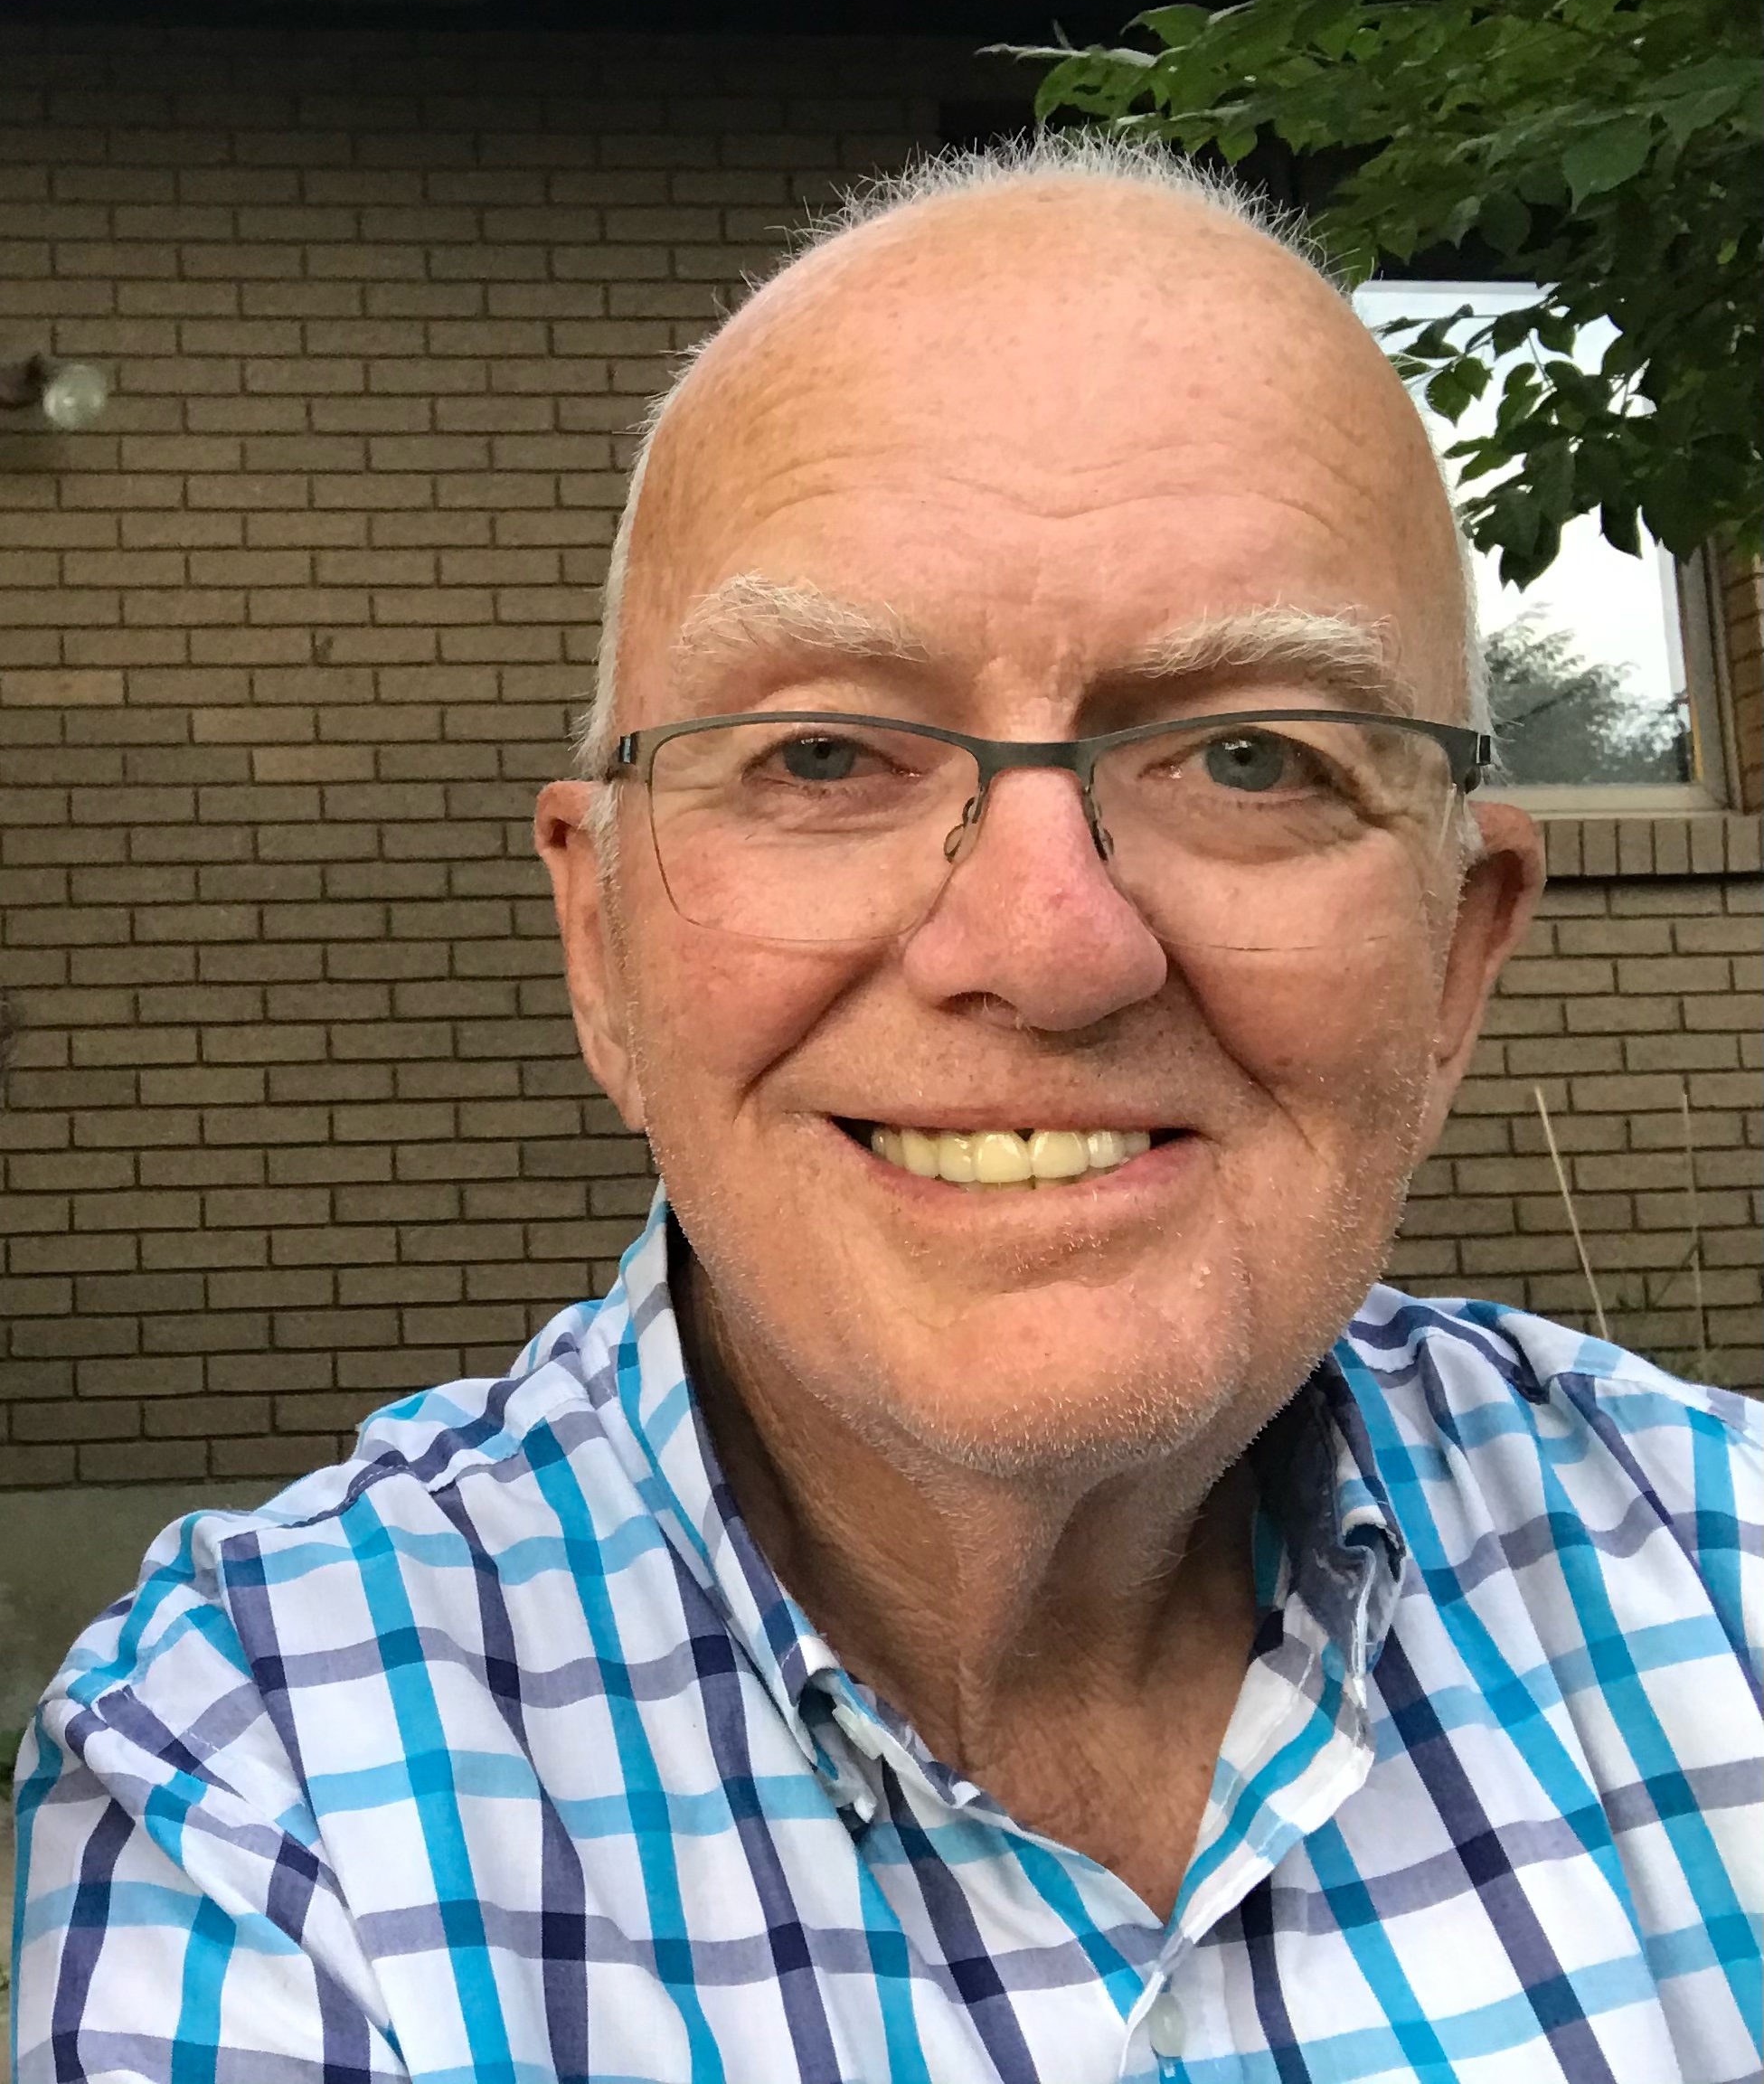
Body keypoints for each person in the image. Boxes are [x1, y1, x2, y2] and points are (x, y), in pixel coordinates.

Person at [14, 138, 1759, 2084]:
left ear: (1456, 954)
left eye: (1251, 758)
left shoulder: (1733, 1575)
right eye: (827, 753)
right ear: (601, 941)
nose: (1050, 943)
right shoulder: (258, 1785)